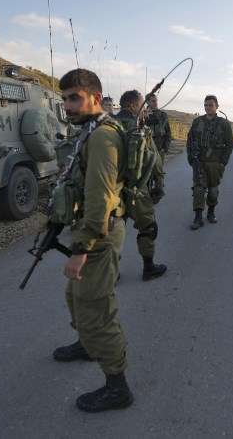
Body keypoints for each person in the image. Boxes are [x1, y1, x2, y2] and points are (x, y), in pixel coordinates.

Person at [51, 68, 133, 412]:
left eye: (74, 98)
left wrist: (81, 249)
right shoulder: (88, 131)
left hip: (97, 235)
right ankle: (87, 344)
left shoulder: (102, 137)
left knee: (96, 311)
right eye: (64, 98)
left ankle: (118, 387)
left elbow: (99, 198)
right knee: (76, 297)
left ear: (95, 98)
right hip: (88, 228)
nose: (67, 105)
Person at [115, 90, 168, 281]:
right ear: (132, 106)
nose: (144, 108)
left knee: (114, 229)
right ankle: (148, 267)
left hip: (113, 190)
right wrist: (159, 183)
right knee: (148, 227)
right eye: (141, 105)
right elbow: (153, 159)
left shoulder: (107, 126)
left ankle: (111, 273)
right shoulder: (139, 128)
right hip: (137, 188)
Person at [187, 95, 233, 229]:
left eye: (210, 105)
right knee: (198, 190)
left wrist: (222, 163)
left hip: (215, 163)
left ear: (217, 107)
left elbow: (229, 145)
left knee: (213, 191)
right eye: (206, 105)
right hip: (199, 162)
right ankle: (197, 217)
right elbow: (190, 141)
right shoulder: (197, 122)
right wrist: (191, 158)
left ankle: (211, 213)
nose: (208, 107)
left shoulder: (224, 124)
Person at [145, 93, 172, 157]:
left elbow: (168, 133)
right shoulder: (143, 115)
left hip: (160, 150)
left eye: (156, 100)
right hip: (147, 152)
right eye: (153, 101)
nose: (156, 103)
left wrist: (165, 148)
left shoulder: (163, 115)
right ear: (147, 102)